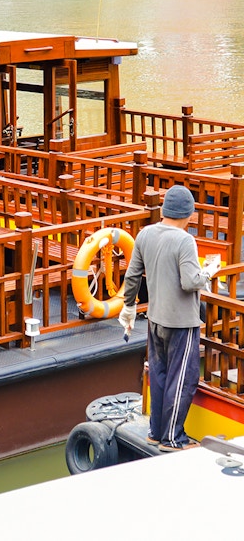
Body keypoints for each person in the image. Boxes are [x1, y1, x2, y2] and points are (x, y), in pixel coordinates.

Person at [118, 185, 220, 452]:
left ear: (163, 210)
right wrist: (208, 272)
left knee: (160, 375)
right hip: (181, 323)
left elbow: (131, 277)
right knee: (183, 379)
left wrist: (128, 308)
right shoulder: (185, 240)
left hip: (155, 318)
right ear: (188, 214)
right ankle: (173, 439)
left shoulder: (145, 234)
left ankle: (155, 432)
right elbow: (190, 282)